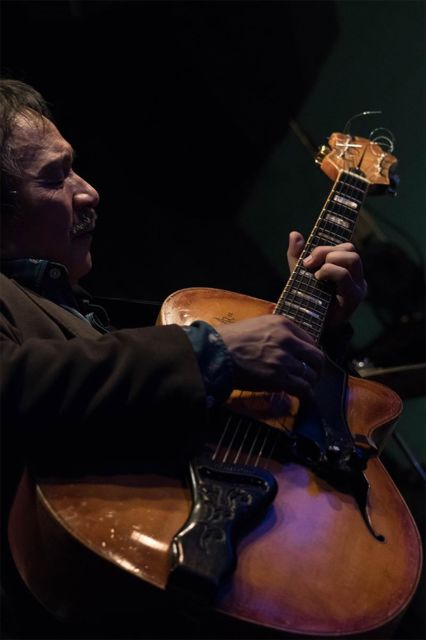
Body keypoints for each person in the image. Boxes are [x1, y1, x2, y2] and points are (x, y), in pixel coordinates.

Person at [0, 79, 367, 636]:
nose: (89, 192)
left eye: (75, 169)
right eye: (55, 177)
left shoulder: (86, 315)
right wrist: (211, 352)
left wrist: (321, 331)